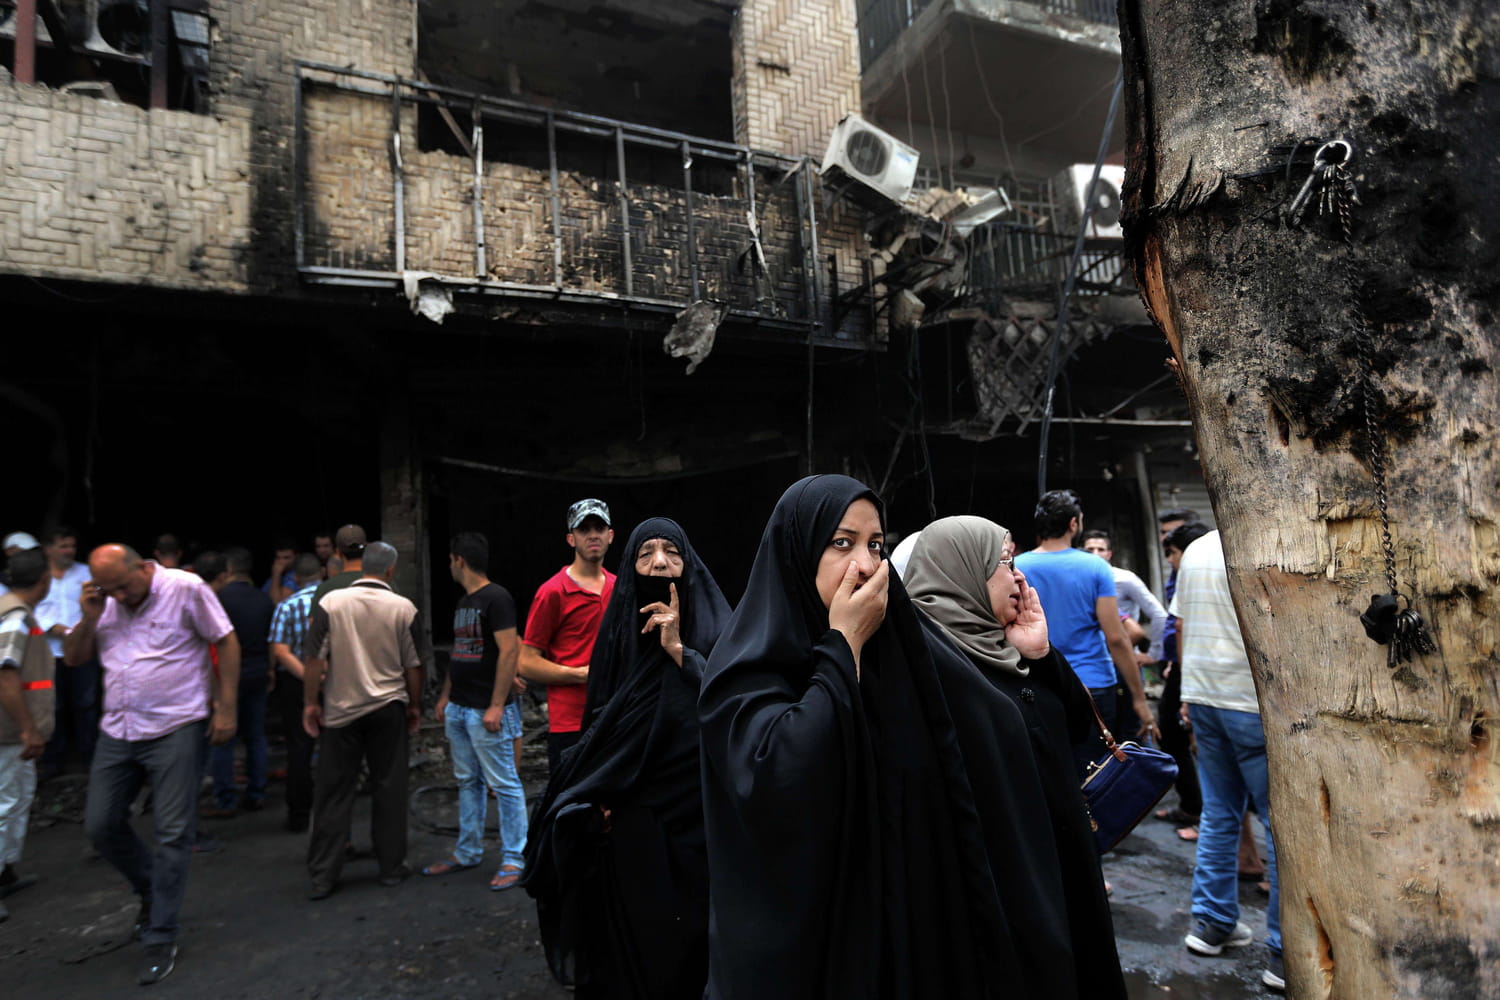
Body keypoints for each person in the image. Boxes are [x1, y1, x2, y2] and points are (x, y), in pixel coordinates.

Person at [700, 474, 1090, 1000]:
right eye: (842, 543)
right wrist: (843, 645)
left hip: (910, 940)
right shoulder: (748, 667)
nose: (864, 565)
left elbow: (1011, 732)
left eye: (876, 545)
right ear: (798, 551)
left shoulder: (902, 652)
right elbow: (780, 776)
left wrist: (1040, 662)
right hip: (814, 952)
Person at [902, 516, 1127, 998]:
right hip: (1003, 885)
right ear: (961, 571)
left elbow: (1077, 730)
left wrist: (1042, 655)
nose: (1020, 577)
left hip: (1058, 864)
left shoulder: (1005, 644)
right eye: (1004, 562)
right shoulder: (924, 662)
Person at [524, 517, 731, 998]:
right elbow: (601, 730)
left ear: (690, 566)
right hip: (632, 827)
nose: (659, 563)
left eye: (672, 552)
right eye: (646, 553)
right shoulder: (617, 642)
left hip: (701, 826)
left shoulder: (722, 639)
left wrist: (681, 653)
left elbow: (735, 712)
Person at [64, 544, 240, 986]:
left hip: (176, 724)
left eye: (124, 587)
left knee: (174, 831)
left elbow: (225, 639)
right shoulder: (103, 602)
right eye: (110, 590)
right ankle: (151, 886)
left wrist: (226, 707)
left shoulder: (185, 588)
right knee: (101, 825)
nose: (119, 597)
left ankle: (160, 933)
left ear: (144, 568)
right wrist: (89, 617)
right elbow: (73, 658)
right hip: (118, 729)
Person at [1171, 530, 1283, 993]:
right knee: (1281, 828)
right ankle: (1284, 952)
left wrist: (1186, 693)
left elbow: (1181, 626)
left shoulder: (1196, 549)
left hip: (1204, 695)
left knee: (1219, 814)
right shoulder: (1268, 542)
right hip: (1252, 703)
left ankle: (1211, 923)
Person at [302, 541, 424, 900]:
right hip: (388, 707)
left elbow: (314, 660)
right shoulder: (403, 607)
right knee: (389, 786)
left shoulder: (331, 603)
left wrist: (310, 703)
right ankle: (390, 866)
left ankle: (323, 875)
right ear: (391, 570)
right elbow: (414, 665)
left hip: (341, 710)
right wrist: (414, 705)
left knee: (333, 792)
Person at [1015, 490, 1157, 775]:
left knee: (1052, 770)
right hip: (1093, 684)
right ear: (1073, 524)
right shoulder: (1095, 567)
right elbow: (1116, 638)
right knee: (1096, 772)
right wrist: (1139, 699)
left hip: (1039, 682)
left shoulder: (1019, 567)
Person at [423, 532, 527, 892]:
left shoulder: (497, 598)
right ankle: (467, 852)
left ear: (459, 561)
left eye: (451, 561)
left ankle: (515, 858)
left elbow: (509, 651)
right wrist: (445, 696)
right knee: (468, 781)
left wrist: (497, 705)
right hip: (461, 707)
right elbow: (460, 651)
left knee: (505, 784)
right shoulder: (465, 601)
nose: (450, 566)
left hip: (486, 710)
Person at [520, 500, 615, 773]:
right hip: (570, 723)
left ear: (610, 535)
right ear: (571, 539)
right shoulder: (553, 592)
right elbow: (526, 662)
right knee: (569, 797)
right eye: (584, 529)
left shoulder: (620, 588)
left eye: (599, 528)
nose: (593, 535)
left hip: (614, 717)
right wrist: (580, 675)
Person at [0, 549, 54, 924]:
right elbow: (5, 676)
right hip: (7, 732)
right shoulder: (15, 616)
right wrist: (28, 727)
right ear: (44, 580)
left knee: (17, 797)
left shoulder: (15, 612)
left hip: (12, 731)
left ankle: (5, 872)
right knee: (4, 804)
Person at [203, 548, 274, 817]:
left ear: (228, 570)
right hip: (257, 671)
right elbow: (271, 638)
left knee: (224, 737)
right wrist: (270, 669)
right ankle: (257, 792)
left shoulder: (217, 600)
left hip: (226, 675)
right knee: (256, 735)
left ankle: (225, 798)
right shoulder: (264, 599)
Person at [1153, 521, 1211, 838]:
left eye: (1172, 551)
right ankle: (1194, 808)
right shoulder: (1181, 575)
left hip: (1196, 669)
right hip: (1183, 666)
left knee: (1207, 747)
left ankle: (1203, 816)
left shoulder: (1197, 573)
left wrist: (1184, 675)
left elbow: (1181, 626)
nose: (1169, 558)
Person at [35, 526, 98, 773]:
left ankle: (90, 760)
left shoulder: (87, 573)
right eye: (63, 546)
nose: (69, 551)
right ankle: (54, 761)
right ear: (47, 549)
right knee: (52, 706)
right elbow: (27, 606)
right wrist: (51, 626)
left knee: (87, 704)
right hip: (48, 652)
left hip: (83, 650)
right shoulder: (38, 575)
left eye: (72, 546)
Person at [268, 553, 323, 832]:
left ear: (296, 579)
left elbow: (280, 651)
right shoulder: (336, 601)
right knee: (337, 746)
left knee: (299, 747)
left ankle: (300, 815)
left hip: (296, 681)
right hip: (335, 679)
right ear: (322, 573)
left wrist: (307, 676)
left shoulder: (286, 606)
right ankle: (333, 813)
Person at [312, 524, 366, 607]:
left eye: (326, 546)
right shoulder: (381, 582)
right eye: (318, 546)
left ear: (338, 551)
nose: (322, 550)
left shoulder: (324, 589)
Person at [262, 537, 298, 605]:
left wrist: (276, 575)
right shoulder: (270, 580)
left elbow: (276, 603)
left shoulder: (298, 577)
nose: (281, 562)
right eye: (278, 558)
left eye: (286, 558)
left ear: (296, 557)